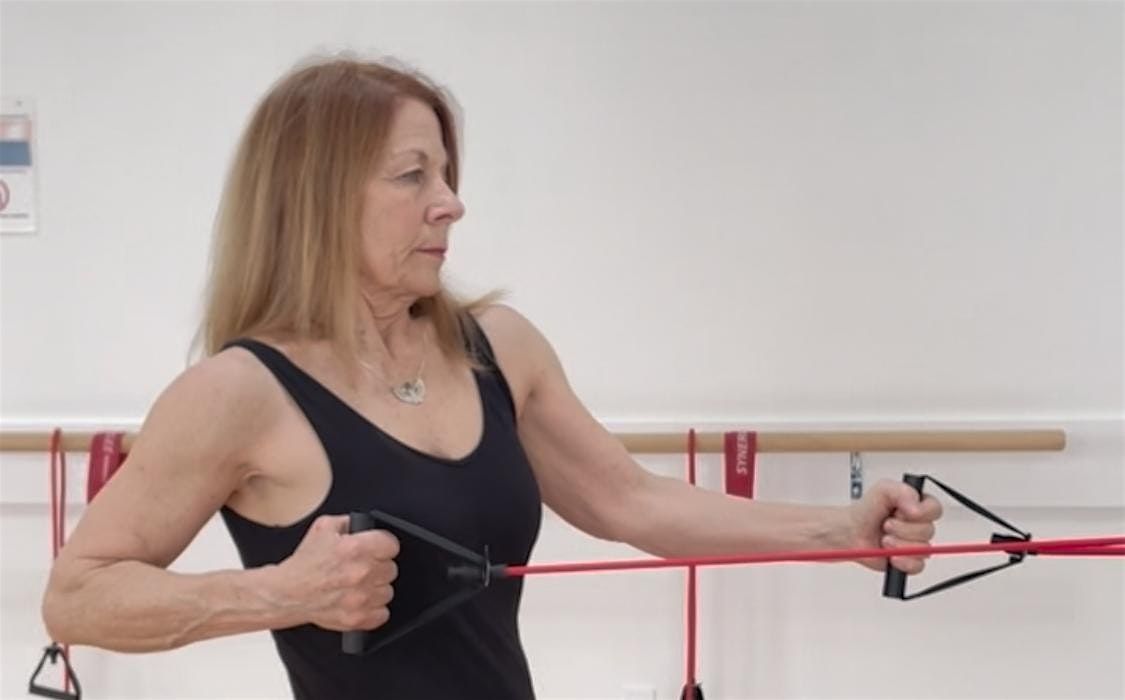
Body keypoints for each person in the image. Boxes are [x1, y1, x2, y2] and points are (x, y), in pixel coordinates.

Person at [41, 55, 943, 699]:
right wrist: (279, 593)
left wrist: (843, 532)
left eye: (446, 173)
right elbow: (75, 597)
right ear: (318, 201)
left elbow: (632, 501)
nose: (451, 203)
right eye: (412, 176)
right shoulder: (238, 393)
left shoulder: (497, 350)